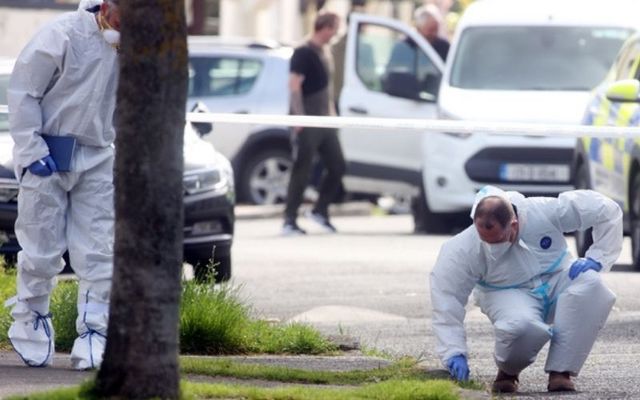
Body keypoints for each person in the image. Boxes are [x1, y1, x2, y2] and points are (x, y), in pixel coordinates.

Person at [6, 0, 120, 370]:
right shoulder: (62, 34)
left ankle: (94, 333)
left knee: (99, 249)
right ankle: (30, 320)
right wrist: (31, 146)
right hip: (47, 154)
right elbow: (24, 90)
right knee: (41, 246)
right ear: (107, 5)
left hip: (97, 155)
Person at [430, 185, 622, 393]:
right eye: (486, 241)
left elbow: (605, 209)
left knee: (592, 286)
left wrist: (598, 257)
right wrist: (453, 352)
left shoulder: (543, 211)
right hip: (505, 293)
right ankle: (508, 371)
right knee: (521, 327)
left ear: (514, 223)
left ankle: (561, 371)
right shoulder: (461, 248)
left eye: (499, 240)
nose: (493, 247)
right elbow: (446, 299)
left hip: (558, 279)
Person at [282, 11, 346, 235]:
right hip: (307, 120)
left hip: (326, 120)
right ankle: (289, 219)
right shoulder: (303, 52)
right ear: (325, 27)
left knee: (338, 165)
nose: (336, 34)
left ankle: (320, 210)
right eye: (335, 28)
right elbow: (294, 86)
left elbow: (327, 90)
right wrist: (298, 117)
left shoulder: (326, 51)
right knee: (302, 169)